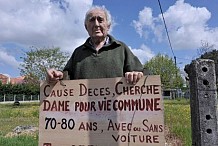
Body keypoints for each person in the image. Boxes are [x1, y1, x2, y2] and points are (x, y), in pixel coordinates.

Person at [46, 6, 148, 85]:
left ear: (108, 26)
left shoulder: (121, 48)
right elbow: (65, 79)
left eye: (100, 20)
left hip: (116, 111)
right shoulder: (78, 52)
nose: (96, 24)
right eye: (91, 20)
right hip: (84, 111)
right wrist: (56, 76)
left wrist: (137, 74)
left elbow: (144, 75)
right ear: (86, 27)